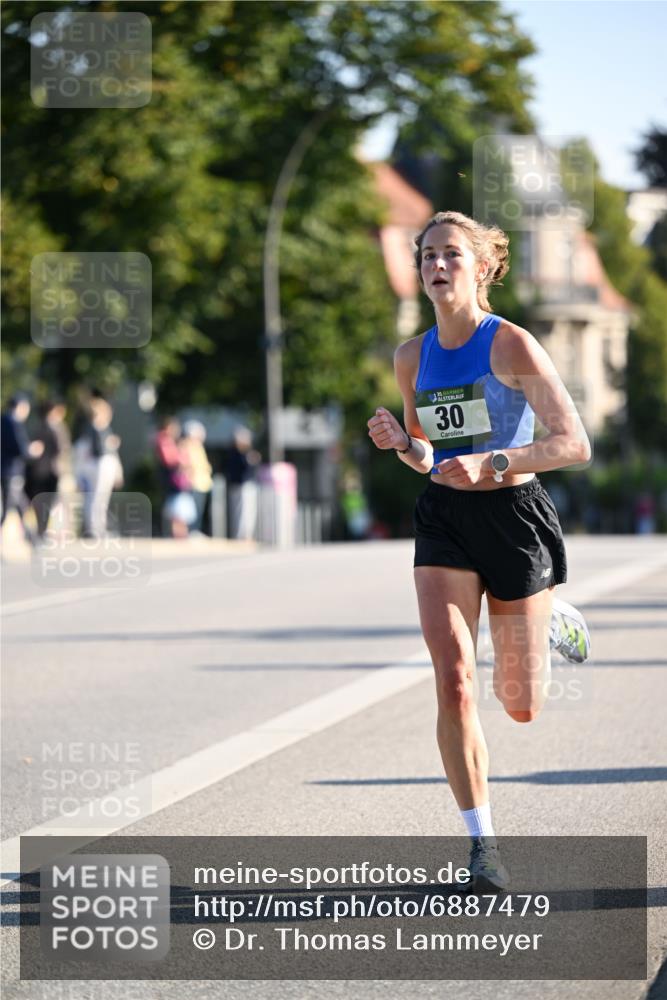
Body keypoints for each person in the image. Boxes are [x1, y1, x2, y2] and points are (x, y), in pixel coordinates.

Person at [368, 211, 592, 892]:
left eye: (451, 256)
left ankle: (551, 610)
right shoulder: (411, 357)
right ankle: (481, 845)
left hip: (513, 517)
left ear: (482, 268)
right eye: (427, 255)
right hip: (444, 517)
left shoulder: (513, 345)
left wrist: (495, 460)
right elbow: (427, 451)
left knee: (519, 703)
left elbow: (572, 443)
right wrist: (401, 444)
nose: (437, 266)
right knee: (454, 680)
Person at [72, 393, 122, 538]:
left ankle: (98, 528)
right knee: (96, 498)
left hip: (102, 466)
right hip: (98, 466)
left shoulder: (101, 430)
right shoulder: (94, 430)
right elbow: (89, 452)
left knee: (99, 499)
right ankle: (94, 529)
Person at [24, 399, 70, 539]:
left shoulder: (36, 427)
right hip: (50, 471)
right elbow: (62, 449)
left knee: (40, 503)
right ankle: (42, 531)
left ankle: (40, 531)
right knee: (48, 503)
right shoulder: (56, 428)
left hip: (37, 470)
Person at [1, 393, 44, 538]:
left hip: (8, 471)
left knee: (21, 506)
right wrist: (33, 450)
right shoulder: (13, 422)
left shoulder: (4, 420)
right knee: (8, 509)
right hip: (10, 472)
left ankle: (32, 540)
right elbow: (20, 448)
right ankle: (33, 539)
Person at [154, 416, 196, 538]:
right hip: (172, 479)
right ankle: (177, 534)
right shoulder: (164, 440)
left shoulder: (170, 441)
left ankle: (180, 533)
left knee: (179, 507)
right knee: (176, 508)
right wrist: (182, 461)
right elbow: (170, 460)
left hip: (177, 479)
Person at [226, 426, 260, 541]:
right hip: (241, 485)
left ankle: (246, 535)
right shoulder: (238, 454)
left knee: (247, 512)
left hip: (245, 485)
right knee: (241, 512)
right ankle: (241, 536)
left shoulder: (243, 453)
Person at [180, 420, 213, 535]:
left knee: (199, 510)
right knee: (193, 511)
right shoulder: (187, 446)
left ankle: (195, 530)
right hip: (194, 483)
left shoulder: (198, 446)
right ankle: (192, 531)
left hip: (202, 483)